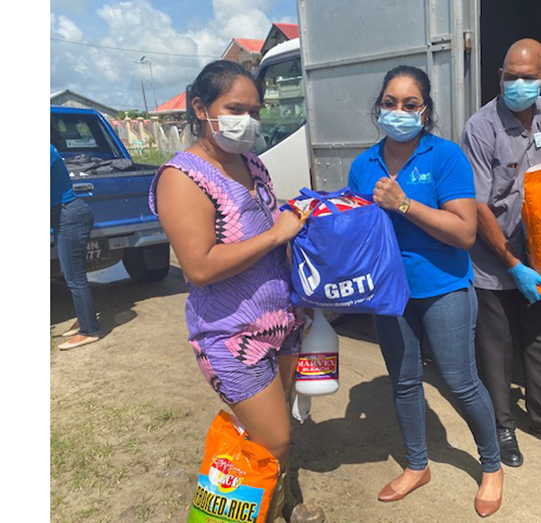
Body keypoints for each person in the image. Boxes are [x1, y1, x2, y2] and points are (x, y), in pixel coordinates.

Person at [150, 60, 321, 522]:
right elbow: (200, 266)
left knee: (278, 422)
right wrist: (275, 235)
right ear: (201, 108)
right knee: (274, 436)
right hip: (230, 337)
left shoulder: (251, 162)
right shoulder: (181, 178)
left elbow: (269, 221)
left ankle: (279, 504)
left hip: (280, 321)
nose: (248, 120)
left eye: (255, 110)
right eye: (235, 108)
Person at [347, 65, 504, 518]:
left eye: (409, 104)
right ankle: (418, 466)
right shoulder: (364, 165)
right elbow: (356, 228)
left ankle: (491, 466)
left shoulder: (445, 157)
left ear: (425, 109)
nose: (398, 112)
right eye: (390, 103)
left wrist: (405, 204)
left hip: (443, 288)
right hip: (390, 294)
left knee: (460, 379)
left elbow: (464, 233)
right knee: (404, 382)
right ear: (379, 107)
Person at [460, 39, 541, 468]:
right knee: (496, 347)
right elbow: (478, 206)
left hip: (538, 254)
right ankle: (502, 426)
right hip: (494, 256)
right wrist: (511, 264)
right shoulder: (480, 128)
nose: (517, 84)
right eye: (510, 76)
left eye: (527, 77)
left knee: (538, 338)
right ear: (499, 76)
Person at [51, 143, 100, 350]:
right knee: (69, 272)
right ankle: (84, 319)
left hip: (69, 215)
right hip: (63, 214)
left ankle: (89, 331)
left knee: (75, 276)